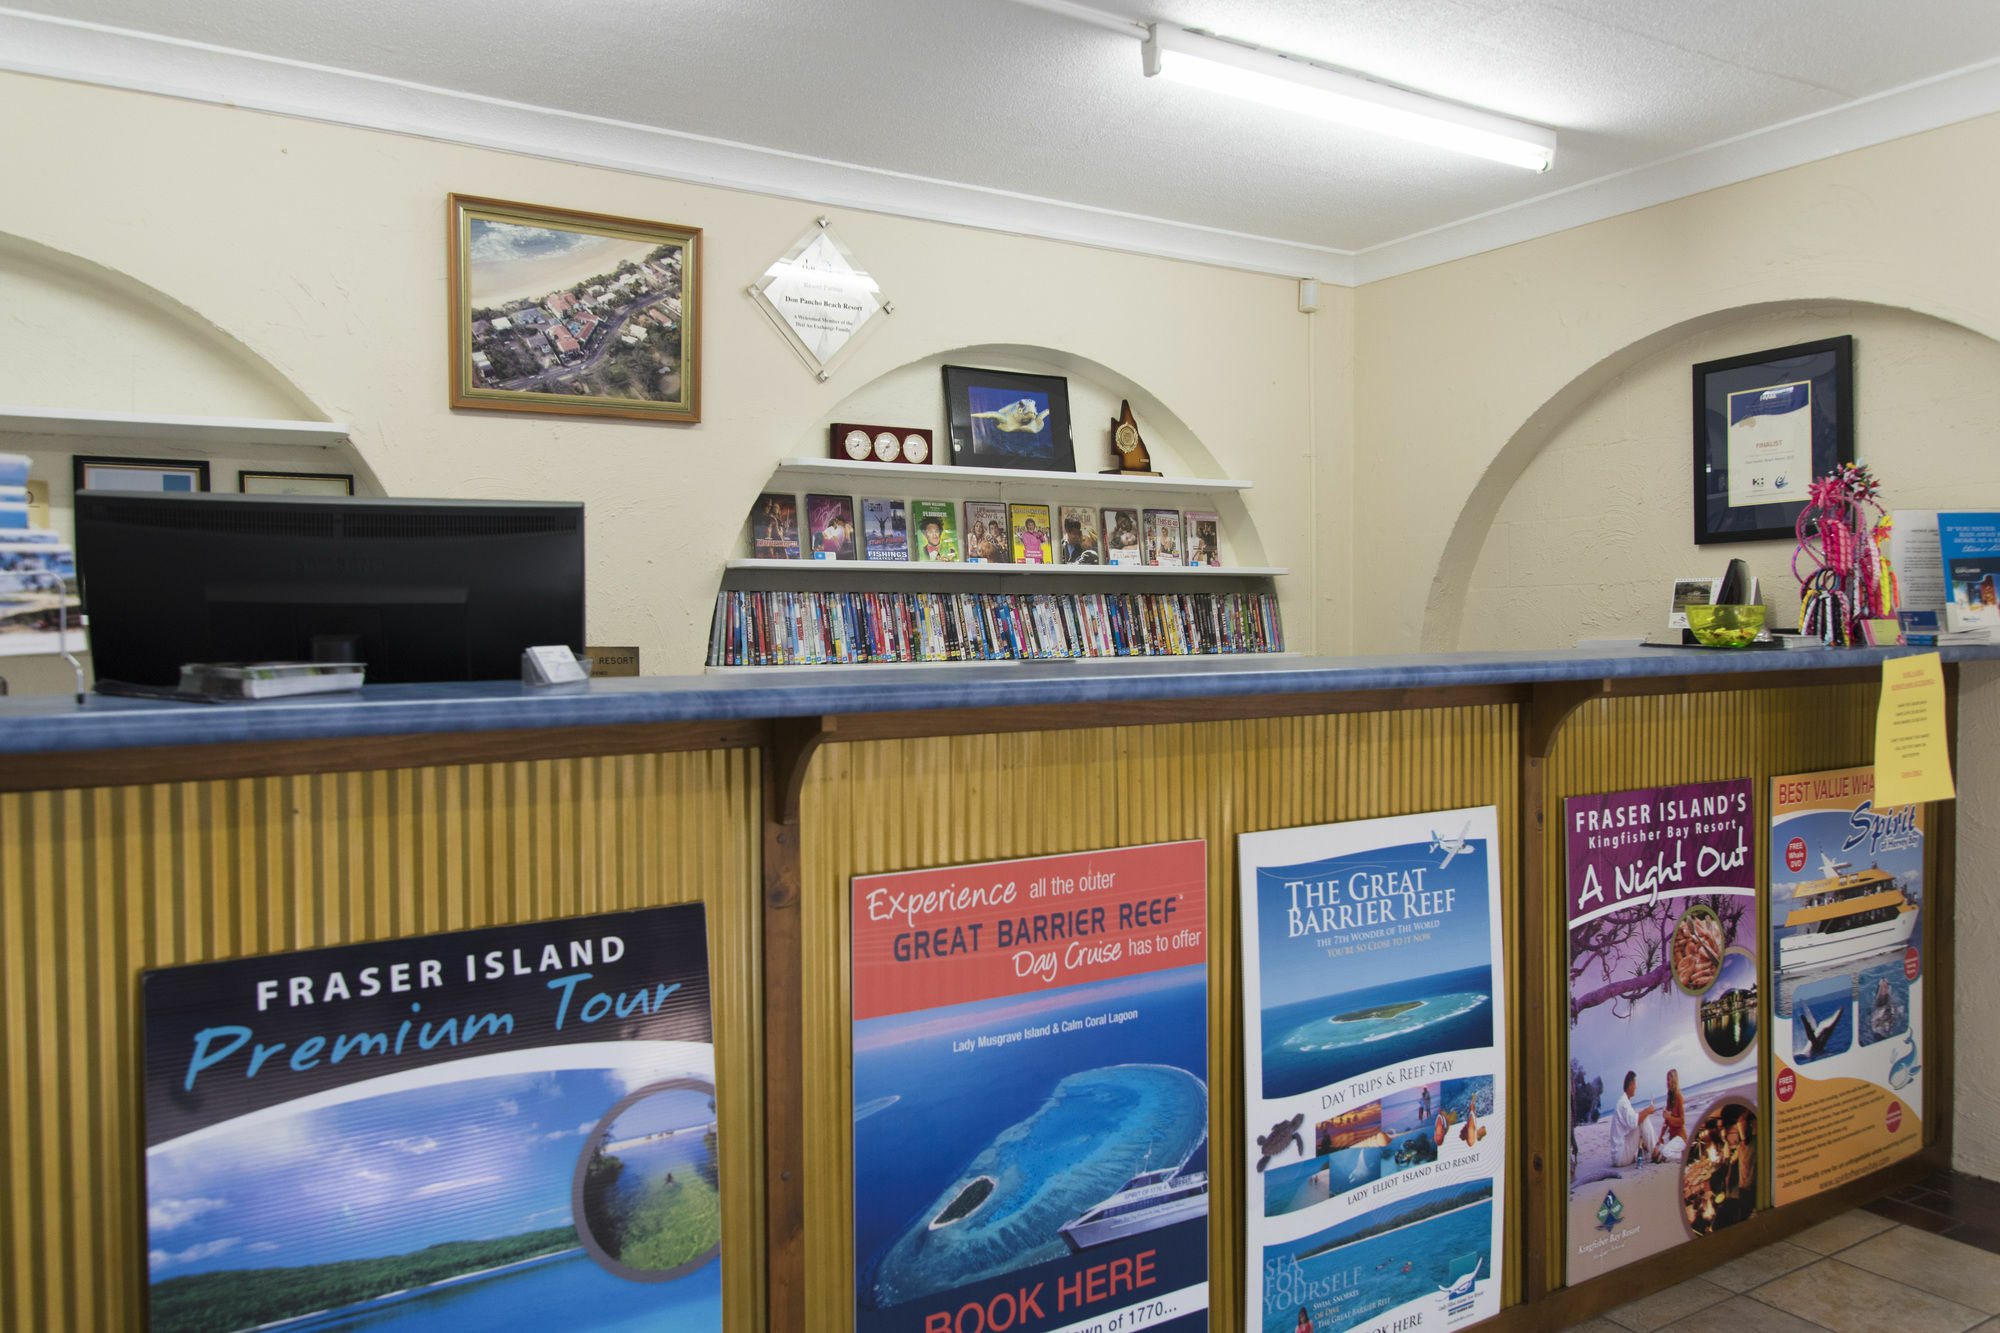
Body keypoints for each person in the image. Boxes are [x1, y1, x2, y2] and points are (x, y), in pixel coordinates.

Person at [1609, 1070, 1659, 1167]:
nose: (1636, 1087)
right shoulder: (1623, 1103)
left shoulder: (1624, 1102)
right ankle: (1655, 1153)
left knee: (1641, 1119)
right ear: (1630, 1085)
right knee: (1643, 1120)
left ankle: (1653, 1148)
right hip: (1620, 1157)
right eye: (1635, 1084)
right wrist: (1648, 1110)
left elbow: (1632, 1126)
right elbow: (1635, 1122)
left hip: (1619, 1154)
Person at [1656, 1068, 1686, 1162]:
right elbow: (1666, 1121)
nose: (1667, 1082)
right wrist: (1660, 1137)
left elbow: (1682, 1121)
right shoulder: (1669, 1096)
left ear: (1674, 1080)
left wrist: (1669, 1117)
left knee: (1664, 1153)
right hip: (1672, 1139)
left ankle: (1684, 1154)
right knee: (1657, 1151)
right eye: (1666, 1080)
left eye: (1669, 1080)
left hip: (1680, 1138)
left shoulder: (1678, 1096)